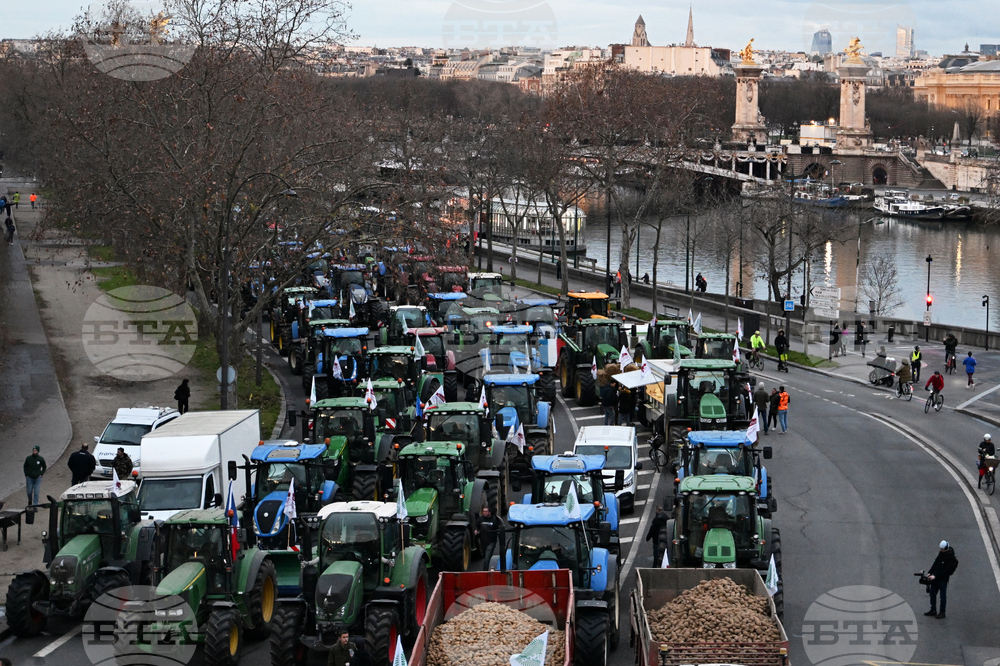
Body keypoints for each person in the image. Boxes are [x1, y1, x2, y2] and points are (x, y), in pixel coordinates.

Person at [924, 540, 958, 619]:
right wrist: (930, 572)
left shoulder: (951, 558)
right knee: (932, 593)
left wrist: (935, 576)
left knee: (942, 596)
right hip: (935, 578)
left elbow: (946, 571)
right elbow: (936, 563)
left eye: (942, 549)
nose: (941, 550)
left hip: (943, 579)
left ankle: (942, 612)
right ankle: (933, 609)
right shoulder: (941, 553)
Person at [475, 505, 502, 570]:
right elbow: (477, 525)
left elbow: (499, 529)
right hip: (483, 541)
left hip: (491, 541)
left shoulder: (494, 520)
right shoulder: (480, 519)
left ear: (489, 512)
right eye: (483, 511)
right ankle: (490, 567)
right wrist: (476, 530)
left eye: (486, 512)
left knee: (487, 558)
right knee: (485, 556)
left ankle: (485, 572)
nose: (484, 513)